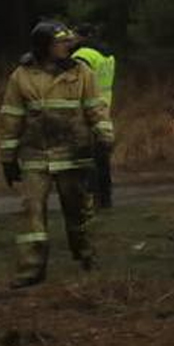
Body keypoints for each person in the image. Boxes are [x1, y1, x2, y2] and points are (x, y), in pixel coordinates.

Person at [0, 20, 113, 287]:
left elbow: (96, 108)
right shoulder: (21, 76)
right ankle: (31, 270)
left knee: (79, 213)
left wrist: (105, 138)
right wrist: (7, 158)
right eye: (60, 42)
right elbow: (11, 118)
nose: (67, 47)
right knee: (31, 213)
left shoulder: (81, 72)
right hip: (35, 154)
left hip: (74, 153)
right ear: (43, 46)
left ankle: (87, 257)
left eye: (67, 41)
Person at [71, 24, 119, 209]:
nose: (71, 39)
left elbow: (75, 83)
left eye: (75, 35)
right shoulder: (107, 54)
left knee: (87, 157)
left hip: (86, 111)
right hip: (104, 108)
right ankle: (105, 198)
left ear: (83, 37)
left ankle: (90, 197)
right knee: (102, 157)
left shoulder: (82, 55)